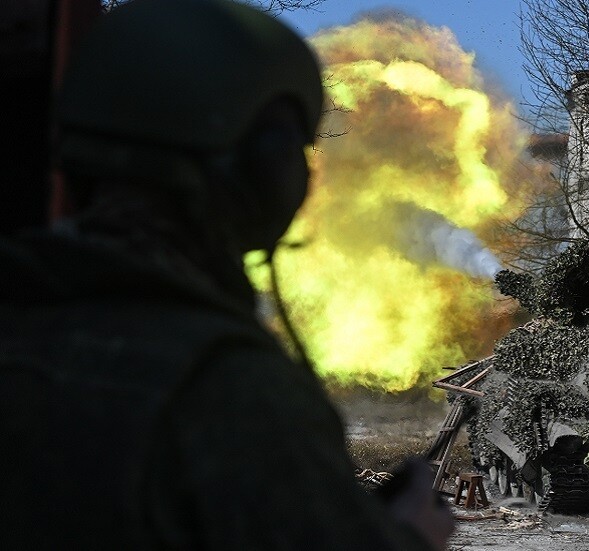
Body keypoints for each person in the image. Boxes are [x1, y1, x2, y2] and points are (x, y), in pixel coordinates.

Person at [0, 0, 453, 548]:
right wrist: (408, 534)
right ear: (263, 167)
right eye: (291, 147)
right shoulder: (228, 389)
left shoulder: (24, 318)